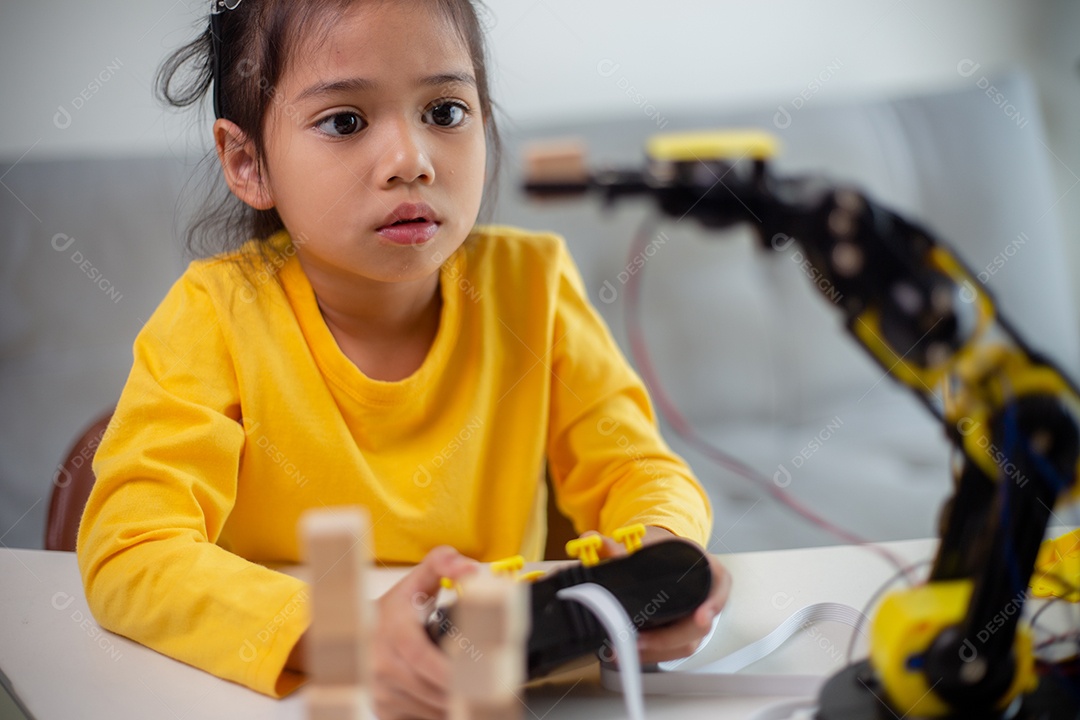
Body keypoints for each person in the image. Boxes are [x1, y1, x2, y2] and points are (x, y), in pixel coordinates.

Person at [76, 1, 730, 718]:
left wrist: (658, 569)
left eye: (445, 112)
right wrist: (344, 634)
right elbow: (129, 551)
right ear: (248, 162)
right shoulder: (214, 316)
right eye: (346, 122)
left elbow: (639, 471)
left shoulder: (532, 287)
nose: (411, 162)